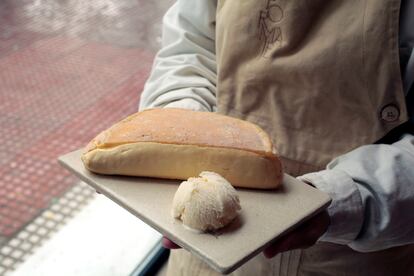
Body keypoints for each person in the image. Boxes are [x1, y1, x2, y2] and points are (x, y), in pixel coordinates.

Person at [140, 0, 414, 275]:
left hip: (349, 254)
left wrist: (344, 199)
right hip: (201, 251)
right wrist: (179, 127)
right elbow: (190, 46)